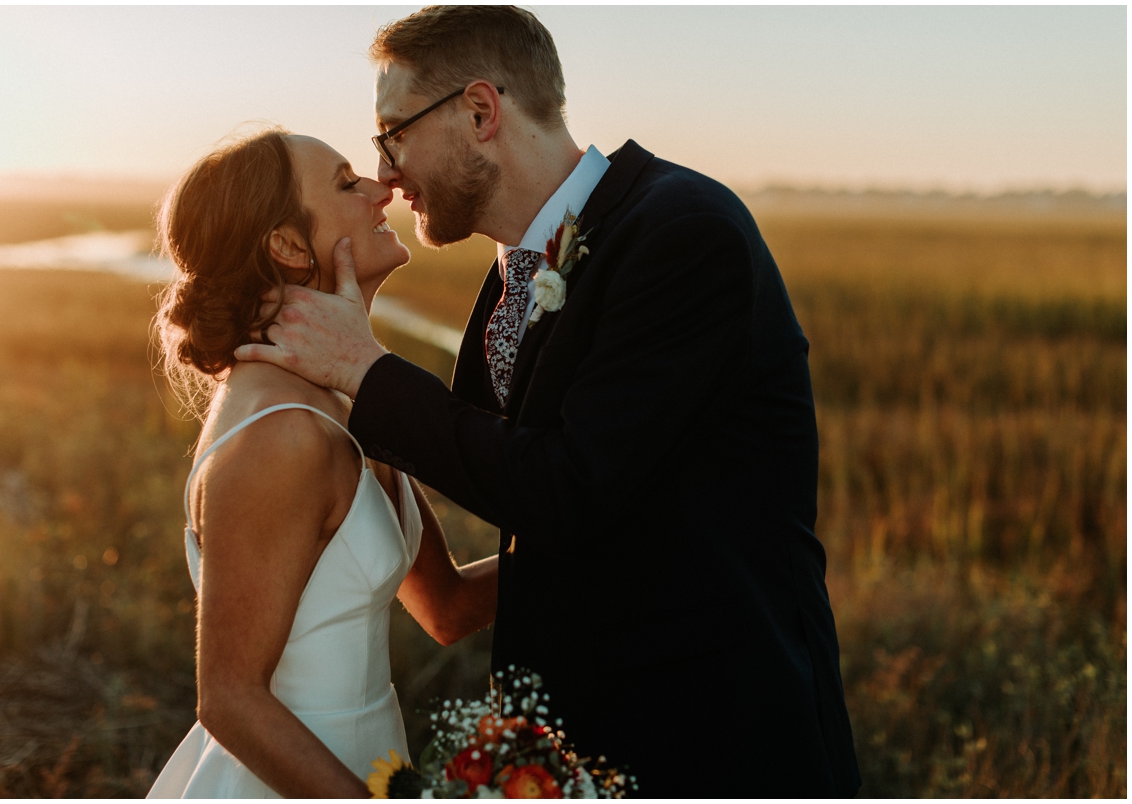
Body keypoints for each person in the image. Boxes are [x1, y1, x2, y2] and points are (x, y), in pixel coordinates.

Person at [235, 6, 861, 797]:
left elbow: (568, 486)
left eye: (392, 134)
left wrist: (368, 371)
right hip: (570, 744)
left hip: (710, 735)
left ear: (479, 111)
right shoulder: (513, 277)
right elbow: (509, 489)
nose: (387, 173)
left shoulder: (682, 232)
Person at [146, 128, 499, 798]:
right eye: (345, 183)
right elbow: (228, 699)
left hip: (368, 765)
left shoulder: (347, 399)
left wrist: (612, 533)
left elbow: (445, 607)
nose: (380, 186)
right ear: (286, 244)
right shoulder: (282, 437)